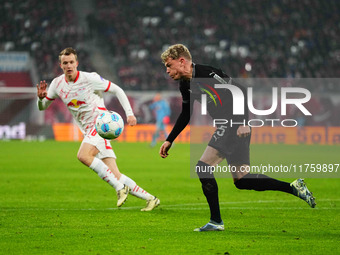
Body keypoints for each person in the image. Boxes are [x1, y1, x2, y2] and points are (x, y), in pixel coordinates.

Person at [159, 44, 316, 231]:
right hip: (229, 125)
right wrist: (170, 139)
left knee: (203, 167)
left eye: (169, 65)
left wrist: (243, 121)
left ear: (182, 61)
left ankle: (216, 222)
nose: (167, 71)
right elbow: (186, 113)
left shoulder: (207, 74)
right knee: (242, 180)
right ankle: (293, 187)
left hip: (233, 123)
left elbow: (240, 90)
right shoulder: (185, 84)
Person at [36, 47, 160, 211]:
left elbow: (118, 90)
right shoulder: (57, 84)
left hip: (101, 125)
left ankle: (119, 188)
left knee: (83, 155)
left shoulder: (90, 79)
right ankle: (151, 199)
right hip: (88, 131)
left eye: (71, 62)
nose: (69, 65)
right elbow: (43, 107)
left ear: (77, 63)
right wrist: (40, 99)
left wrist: (130, 114)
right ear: (60, 65)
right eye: (65, 63)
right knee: (115, 174)